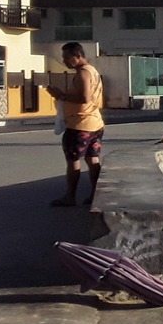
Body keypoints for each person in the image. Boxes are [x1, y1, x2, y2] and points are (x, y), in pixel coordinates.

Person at [45, 42, 104, 207]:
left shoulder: (83, 73)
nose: (64, 61)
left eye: (66, 57)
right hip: (94, 122)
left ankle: (70, 196)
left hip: (80, 124)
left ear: (77, 56)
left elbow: (84, 98)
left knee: (73, 161)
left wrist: (60, 95)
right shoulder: (93, 71)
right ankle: (95, 194)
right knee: (93, 160)